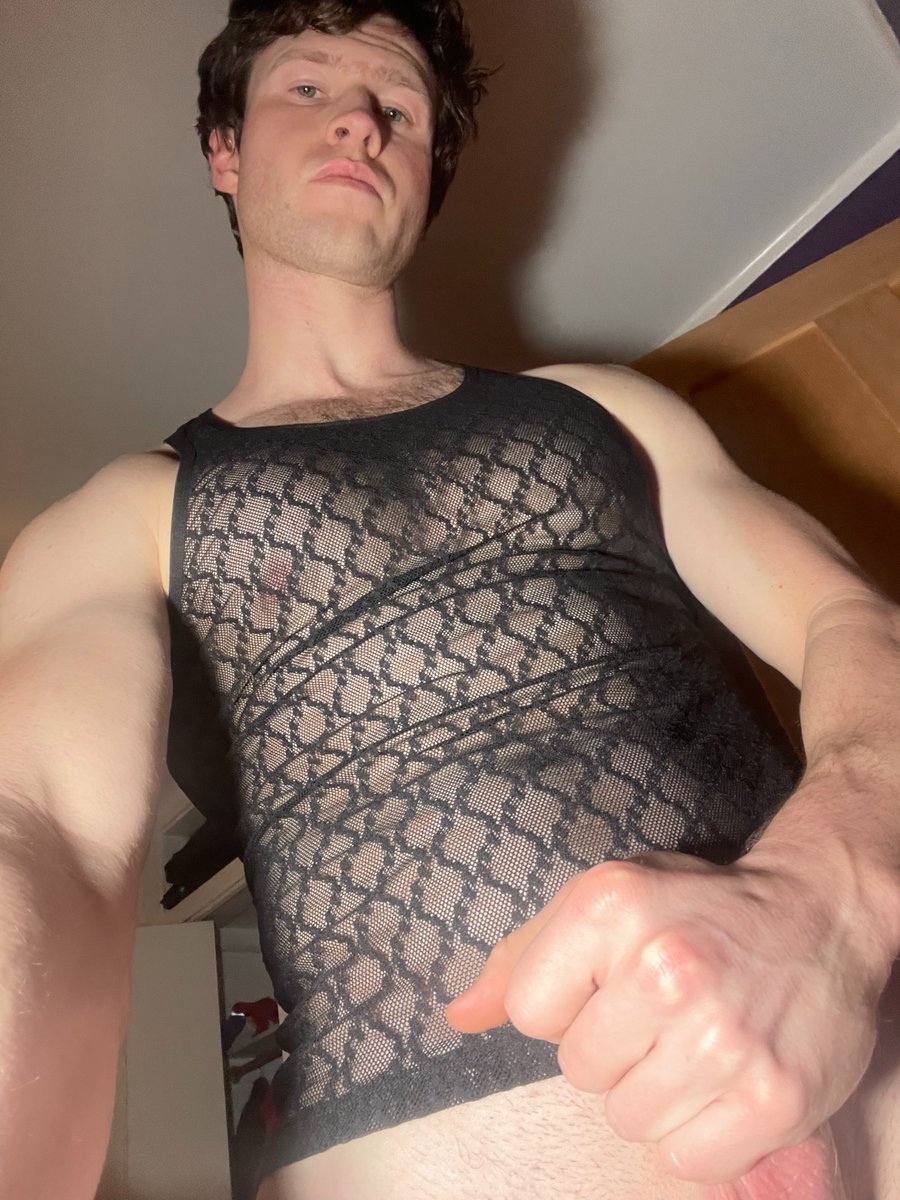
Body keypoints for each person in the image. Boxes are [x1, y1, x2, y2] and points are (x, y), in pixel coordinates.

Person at [0, 2, 897, 1198]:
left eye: (400, 106)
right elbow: (42, 832)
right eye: (308, 87)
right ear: (224, 151)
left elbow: (852, 624)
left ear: (427, 175)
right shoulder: (126, 512)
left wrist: (829, 904)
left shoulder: (609, 409)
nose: (360, 120)